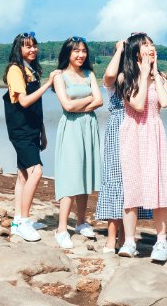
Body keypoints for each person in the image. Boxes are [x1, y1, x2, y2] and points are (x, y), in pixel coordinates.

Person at [115, 32, 167, 261]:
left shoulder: (161, 76)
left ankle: (161, 241)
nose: (151, 48)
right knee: (132, 187)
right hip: (132, 134)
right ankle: (130, 241)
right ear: (136, 51)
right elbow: (137, 104)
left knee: (157, 186)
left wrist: (155, 72)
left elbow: (165, 102)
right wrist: (142, 73)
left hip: (154, 132)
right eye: (145, 45)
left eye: (152, 44)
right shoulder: (124, 78)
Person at [97, 37, 156, 255]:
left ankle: (126, 237)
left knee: (132, 182)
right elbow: (109, 76)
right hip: (118, 127)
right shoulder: (120, 78)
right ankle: (112, 238)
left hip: (138, 127)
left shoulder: (140, 76)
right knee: (114, 180)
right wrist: (120, 49)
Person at [2, 31, 57, 242]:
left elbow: (36, 106)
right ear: (19, 49)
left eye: (34, 45)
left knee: (23, 175)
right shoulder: (15, 70)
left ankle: (17, 221)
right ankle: (24, 221)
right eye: (27, 46)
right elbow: (24, 102)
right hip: (20, 130)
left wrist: (42, 131)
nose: (32, 49)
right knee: (36, 172)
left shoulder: (31, 69)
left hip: (32, 129)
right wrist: (48, 84)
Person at [52, 36, 103, 249]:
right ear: (68, 53)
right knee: (71, 175)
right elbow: (67, 106)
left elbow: (100, 100)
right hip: (72, 128)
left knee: (85, 175)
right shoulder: (59, 76)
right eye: (76, 51)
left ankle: (81, 221)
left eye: (83, 51)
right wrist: (85, 102)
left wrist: (77, 104)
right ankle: (62, 229)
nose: (81, 55)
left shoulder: (90, 74)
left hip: (89, 127)